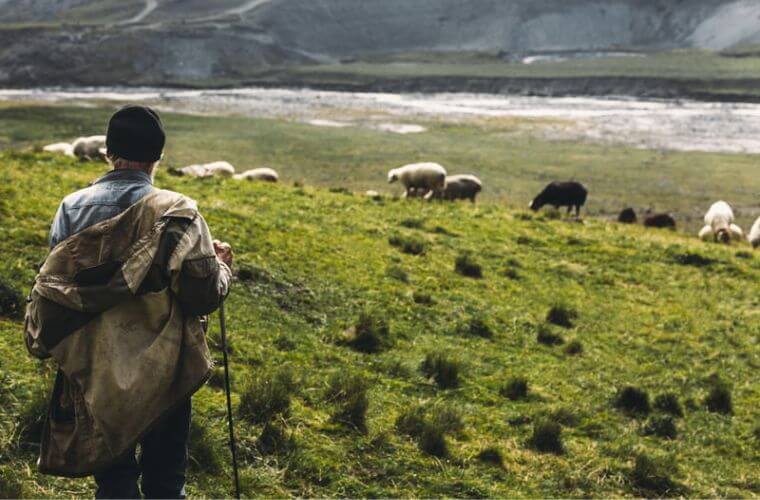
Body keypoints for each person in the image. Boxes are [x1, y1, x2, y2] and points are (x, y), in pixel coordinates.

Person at [24, 105, 233, 499]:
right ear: (157, 157)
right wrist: (222, 268)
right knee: (165, 479)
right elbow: (202, 296)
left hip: (95, 367)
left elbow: (58, 284)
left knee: (115, 479)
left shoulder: (71, 209)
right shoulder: (179, 213)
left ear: (108, 152)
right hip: (165, 368)